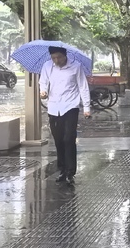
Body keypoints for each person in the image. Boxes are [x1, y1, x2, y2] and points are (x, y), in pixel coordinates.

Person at [39, 46, 91, 185]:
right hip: (54, 107)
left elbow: (83, 86)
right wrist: (43, 91)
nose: (56, 60)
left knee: (69, 138)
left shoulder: (76, 67)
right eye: (53, 58)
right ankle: (62, 169)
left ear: (65, 55)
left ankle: (70, 171)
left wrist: (86, 107)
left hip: (70, 106)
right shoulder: (47, 66)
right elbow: (43, 82)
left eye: (59, 57)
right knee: (58, 140)